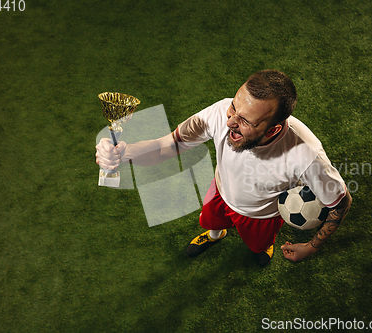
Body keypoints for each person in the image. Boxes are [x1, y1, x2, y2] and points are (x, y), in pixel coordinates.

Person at [96, 70, 352, 266]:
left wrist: (311, 246)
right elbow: (171, 144)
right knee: (211, 221)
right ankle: (215, 234)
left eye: (245, 120)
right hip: (219, 192)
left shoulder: (307, 156)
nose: (229, 121)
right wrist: (125, 153)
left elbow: (340, 203)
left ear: (273, 129)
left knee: (257, 245)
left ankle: (262, 247)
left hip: (260, 216)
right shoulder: (220, 112)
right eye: (234, 107)